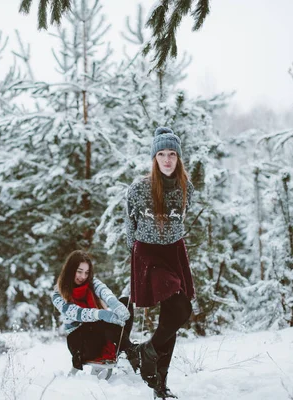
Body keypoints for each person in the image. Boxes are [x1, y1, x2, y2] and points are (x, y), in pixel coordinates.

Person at [125, 127, 195, 399]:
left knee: (173, 315)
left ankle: (159, 384)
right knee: (180, 308)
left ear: (178, 158)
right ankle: (147, 353)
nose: (167, 160)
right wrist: (139, 255)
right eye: (161, 154)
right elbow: (129, 226)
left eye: (172, 154)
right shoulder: (139, 189)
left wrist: (173, 244)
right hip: (148, 254)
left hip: (174, 252)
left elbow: (181, 221)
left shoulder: (185, 188)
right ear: (154, 158)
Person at [51, 250, 135, 371]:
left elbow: (103, 290)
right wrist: (101, 314)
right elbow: (76, 313)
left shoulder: (91, 282)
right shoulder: (57, 294)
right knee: (98, 322)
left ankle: (127, 349)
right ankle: (131, 350)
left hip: (98, 332)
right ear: (70, 270)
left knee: (125, 302)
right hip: (80, 342)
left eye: (86, 272)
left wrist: (115, 304)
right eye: (79, 272)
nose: (83, 277)